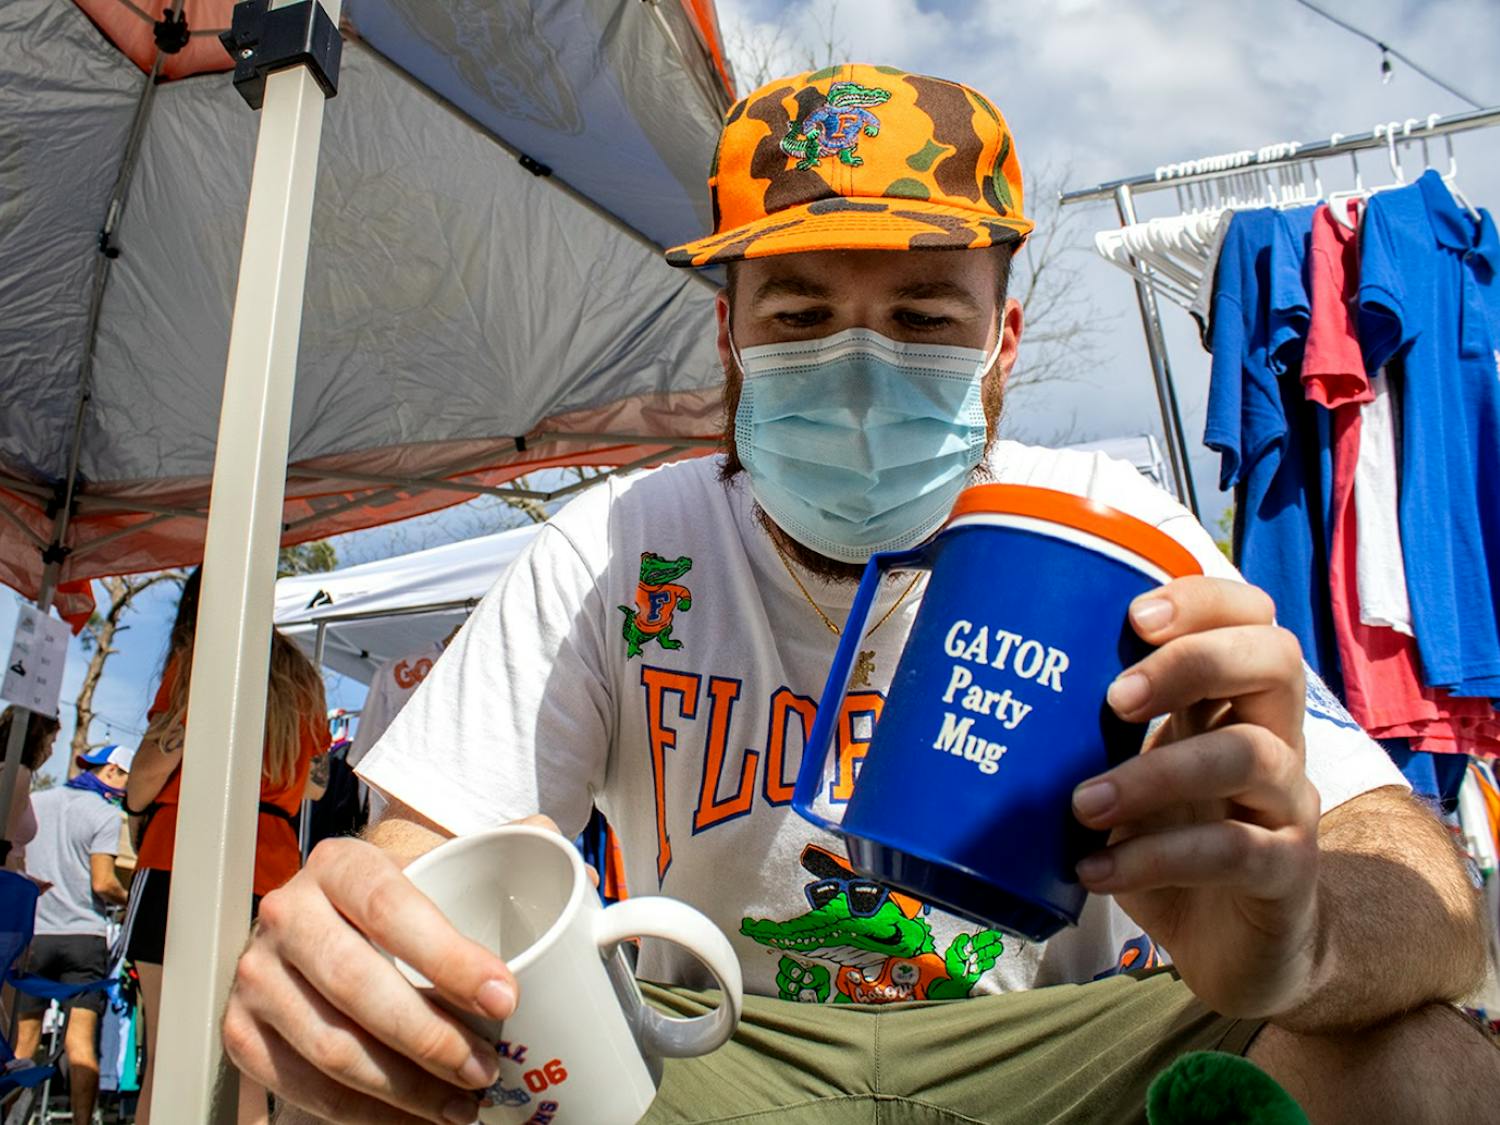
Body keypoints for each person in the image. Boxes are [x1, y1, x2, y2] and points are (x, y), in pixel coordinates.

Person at [224, 65, 1500, 1125]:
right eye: (799, 313)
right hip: (715, 1051)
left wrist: (1304, 939)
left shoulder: (1115, 538)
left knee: (1426, 1060)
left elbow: (1426, 886)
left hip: (1064, 1046)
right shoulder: (619, 543)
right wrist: (362, 946)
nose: (856, 368)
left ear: (1004, 340)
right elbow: (429, 860)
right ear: (728, 335)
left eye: (923, 316)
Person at [123, 568, 329, 1125]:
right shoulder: (303, 676)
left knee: (169, 1058)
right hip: (271, 865)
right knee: (246, 1061)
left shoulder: (199, 656)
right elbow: (315, 783)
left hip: (182, 849)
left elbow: (145, 779)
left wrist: (140, 798)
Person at [13, 743, 132, 1125]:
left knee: (23, 1040)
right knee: (80, 1043)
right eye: (127, 778)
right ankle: (83, 1122)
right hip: (84, 936)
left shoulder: (37, 801)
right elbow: (103, 883)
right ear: (112, 771)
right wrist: (129, 899)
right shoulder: (104, 814)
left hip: (35, 932)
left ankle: (11, 1116)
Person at [0, 706, 61, 873]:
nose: (50, 752)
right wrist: (22, 885)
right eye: (51, 742)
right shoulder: (18, 774)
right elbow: (4, 850)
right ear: (37, 738)